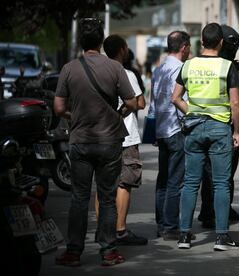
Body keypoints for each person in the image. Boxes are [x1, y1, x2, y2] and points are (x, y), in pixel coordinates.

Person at [54, 18, 138, 266]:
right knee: (108, 197)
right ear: (101, 41)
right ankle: (108, 251)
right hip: (110, 141)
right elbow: (132, 102)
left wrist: (74, 116)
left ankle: (73, 252)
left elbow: (59, 107)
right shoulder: (115, 68)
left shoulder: (69, 68)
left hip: (80, 141)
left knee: (79, 198)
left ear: (81, 42)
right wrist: (119, 114)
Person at [171, 22, 239, 251]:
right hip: (220, 129)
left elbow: (176, 97)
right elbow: (235, 102)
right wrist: (237, 131)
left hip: (194, 129)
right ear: (221, 42)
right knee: (221, 183)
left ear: (201, 42)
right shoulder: (227, 67)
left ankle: (184, 235)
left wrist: (191, 112)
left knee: (191, 182)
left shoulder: (188, 65)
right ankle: (221, 237)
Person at [93, 34, 147, 246]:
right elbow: (139, 103)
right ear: (123, 50)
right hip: (125, 136)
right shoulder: (127, 74)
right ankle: (120, 230)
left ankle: (101, 229)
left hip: (101, 135)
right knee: (125, 182)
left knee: (103, 184)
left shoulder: (97, 73)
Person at [198, 24, 239, 228]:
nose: (234, 49)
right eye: (231, 44)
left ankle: (224, 208)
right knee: (210, 174)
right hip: (214, 125)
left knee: (227, 174)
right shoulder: (212, 67)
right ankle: (208, 212)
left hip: (231, 126)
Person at [149, 30, 191, 240]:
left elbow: (152, 104)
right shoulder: (182, 69)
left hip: (161, 130)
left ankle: (161, 223)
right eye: (189, 47)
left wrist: (153, 131)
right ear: (184, 47)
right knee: (175, 181)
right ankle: (171, 226)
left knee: (163, 180)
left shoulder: (158, 70)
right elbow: (182, 101)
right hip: (176, 130)